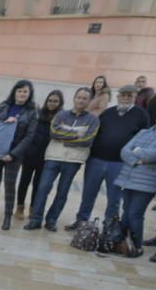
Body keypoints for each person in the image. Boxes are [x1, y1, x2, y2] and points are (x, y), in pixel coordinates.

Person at [66, 84, 149, 230]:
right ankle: (81, 220)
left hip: (120, 163)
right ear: (118, 97)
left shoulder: (141, 115)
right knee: (88, 194)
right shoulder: (107, 113)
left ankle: (109, 226)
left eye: (129, 95)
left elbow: (144, 139)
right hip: (96, 160)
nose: (125, 98)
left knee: (114, 198)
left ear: (135, 98)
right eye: (123, 95)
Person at [24, 88, 100, 231]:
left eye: (84, 98)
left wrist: (65, 135)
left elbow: (88, 140)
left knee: (62, 192)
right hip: (53, 156)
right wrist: (76, 134)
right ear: (74, 98)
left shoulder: (93, 120)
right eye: (79, 97)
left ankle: (51, 220)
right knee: (43, 188)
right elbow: (54, 133)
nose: (81, 100)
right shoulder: (61, 114)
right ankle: (36, 219)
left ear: (89, 101)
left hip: (73, 161)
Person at [115, 101, 156, 257]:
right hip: (128, 178)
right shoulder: (143, 132)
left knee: (135, 213)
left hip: (148, 181)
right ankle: (123, 244)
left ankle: (137, 246)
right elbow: (124, 150)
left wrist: (137, 151)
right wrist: (136, 161)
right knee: (126, 212)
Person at [0, 80, 38, 230]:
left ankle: (7, 217)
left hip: (15, 154)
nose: (22, 94)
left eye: (25, 91)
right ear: (14, 92)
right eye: (19, 91)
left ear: (29, 94)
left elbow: (30, 137)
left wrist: (13, 154)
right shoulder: (3, 106)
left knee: (9, 185)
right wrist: (4, 121)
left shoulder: (32, 112)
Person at [16, 90, 63, 216]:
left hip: (46, 157)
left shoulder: (61, 118)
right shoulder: (38, 114)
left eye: (55, 101)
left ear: (60, 103)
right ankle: (20, 207)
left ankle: (33, 208)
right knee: (24, 181)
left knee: (38, 184)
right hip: (30, 154)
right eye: (50, 100)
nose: (52, 103)